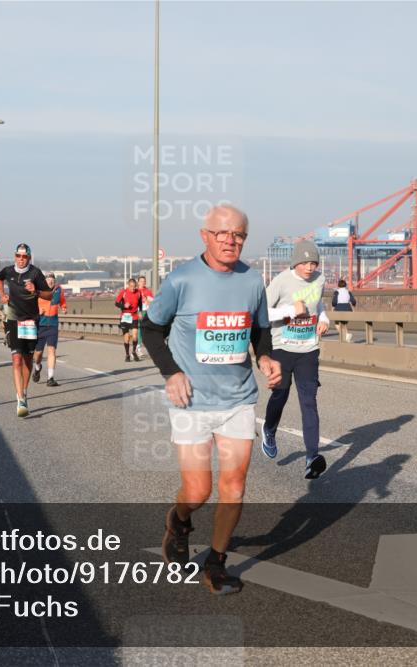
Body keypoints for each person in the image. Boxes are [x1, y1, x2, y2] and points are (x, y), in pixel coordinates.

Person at [143, 204, 280, 595]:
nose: (230, 240)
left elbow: (260, 331)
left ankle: (216, 563)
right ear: (205, 235)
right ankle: (179, 520)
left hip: (237, 400)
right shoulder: (182, 279)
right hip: (192, 402)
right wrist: (171, 373)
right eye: (222, 233)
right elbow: (150, 329)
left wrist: (265, 357)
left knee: (234, 487)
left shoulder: (252, 280)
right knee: (198, 491)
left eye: (238, 234)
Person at [260, 240, 331, 479]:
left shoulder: (319, 279)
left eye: (313, 263)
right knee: (280, 394)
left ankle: (312, 457)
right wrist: (290, 311)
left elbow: (318, 303)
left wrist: (324, 319)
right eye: (305, 263)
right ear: (295, 263)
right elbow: (262, 312)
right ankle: (269, 429)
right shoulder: (281, 281)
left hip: (308, 349)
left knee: (309, 401)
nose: (309, 267)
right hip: (282, 348)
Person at [0, 243, 53, 417]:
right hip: (14, 318)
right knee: (16, 359)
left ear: (29, 257)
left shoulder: (35, 273)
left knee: (28, 360)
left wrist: (36, 291)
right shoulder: (8, 271)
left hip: (31, 320)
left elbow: (49, 295)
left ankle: (25, 392)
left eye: (24, 256)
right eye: (18, 256)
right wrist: (2, 294)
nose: (21, 259)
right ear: (15, 256)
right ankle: (20, 399)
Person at [33, 273, 67, 387]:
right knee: (38, 354)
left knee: (51, 350)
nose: (50, 282)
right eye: (48, 280)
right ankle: (37, 367)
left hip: (53, 324)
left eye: (52, 280)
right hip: (40, 325)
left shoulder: (59, 289)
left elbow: (62, 300)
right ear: (45, 282)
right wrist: (37, 311)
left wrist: (64, 307)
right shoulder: (39, 291)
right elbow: (30, 304)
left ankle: (50, 378)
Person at [115, 278, 143, 362]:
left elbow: (140, 303)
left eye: (134, 286)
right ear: (128, 285)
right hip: (125, 316)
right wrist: (123, 306)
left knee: (135, 335)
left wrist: (140, 312)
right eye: (131, 286)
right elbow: (116, 303)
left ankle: (134, 352)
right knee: (127, 337)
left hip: (134, 316)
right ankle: (127, 355)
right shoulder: (123, 292)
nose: (133, 288)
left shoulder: (138, 292)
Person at [136, 275, 154, 358]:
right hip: (138, 312)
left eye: (144, 281)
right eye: (141, 281)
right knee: (140, 330)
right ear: (138, 282)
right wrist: (138, 312)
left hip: (147, 312)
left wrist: (147, 301)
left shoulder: (148, 291)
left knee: (148, 330)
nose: (143, 283)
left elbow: (153, 302)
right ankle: (138, 348)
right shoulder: (136, 291)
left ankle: (149, 348)